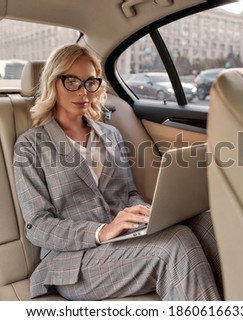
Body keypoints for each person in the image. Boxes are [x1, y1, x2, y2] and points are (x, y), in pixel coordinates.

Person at [13, 44, 222, 300]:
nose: (83, 92)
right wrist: (101, 231)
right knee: (176, 243)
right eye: (72, 82)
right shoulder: (30, 145)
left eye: (90, 82)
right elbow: (38, 226)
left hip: (124, 240)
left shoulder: (110, 134)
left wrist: (142, 214)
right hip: (75, 262)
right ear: (52, 83)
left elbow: (129, 192)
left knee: (208, 225)